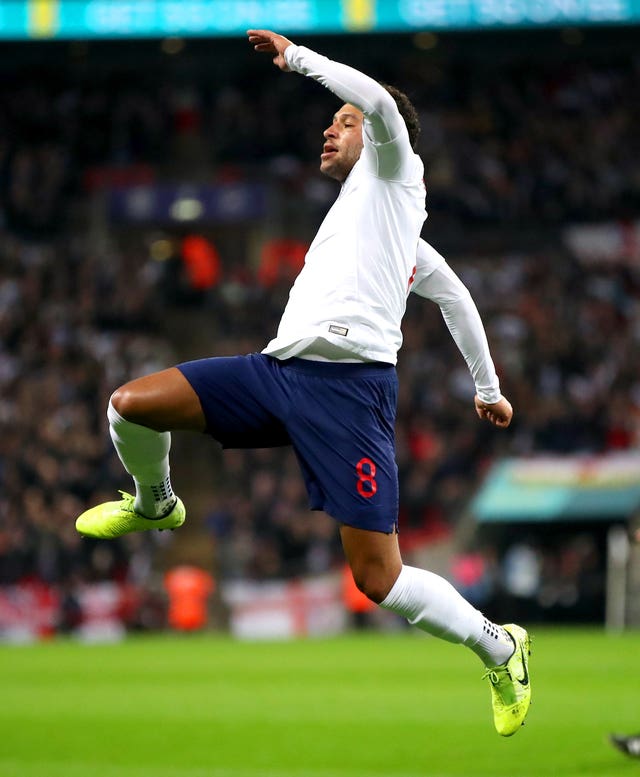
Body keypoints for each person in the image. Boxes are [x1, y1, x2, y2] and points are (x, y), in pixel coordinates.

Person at [76, 30, 531, 737]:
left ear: (383, 138)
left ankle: (500, 645)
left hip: (350, 394)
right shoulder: (374, 218)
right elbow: (454, 295)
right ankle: (156, 502)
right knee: (131, 406)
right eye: (335, 117)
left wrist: (298, 60)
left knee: (377, 578)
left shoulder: (395, 172)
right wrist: (486, 385)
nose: (332, 123)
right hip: (277, 373)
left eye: (344, 120)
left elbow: (378, 101)